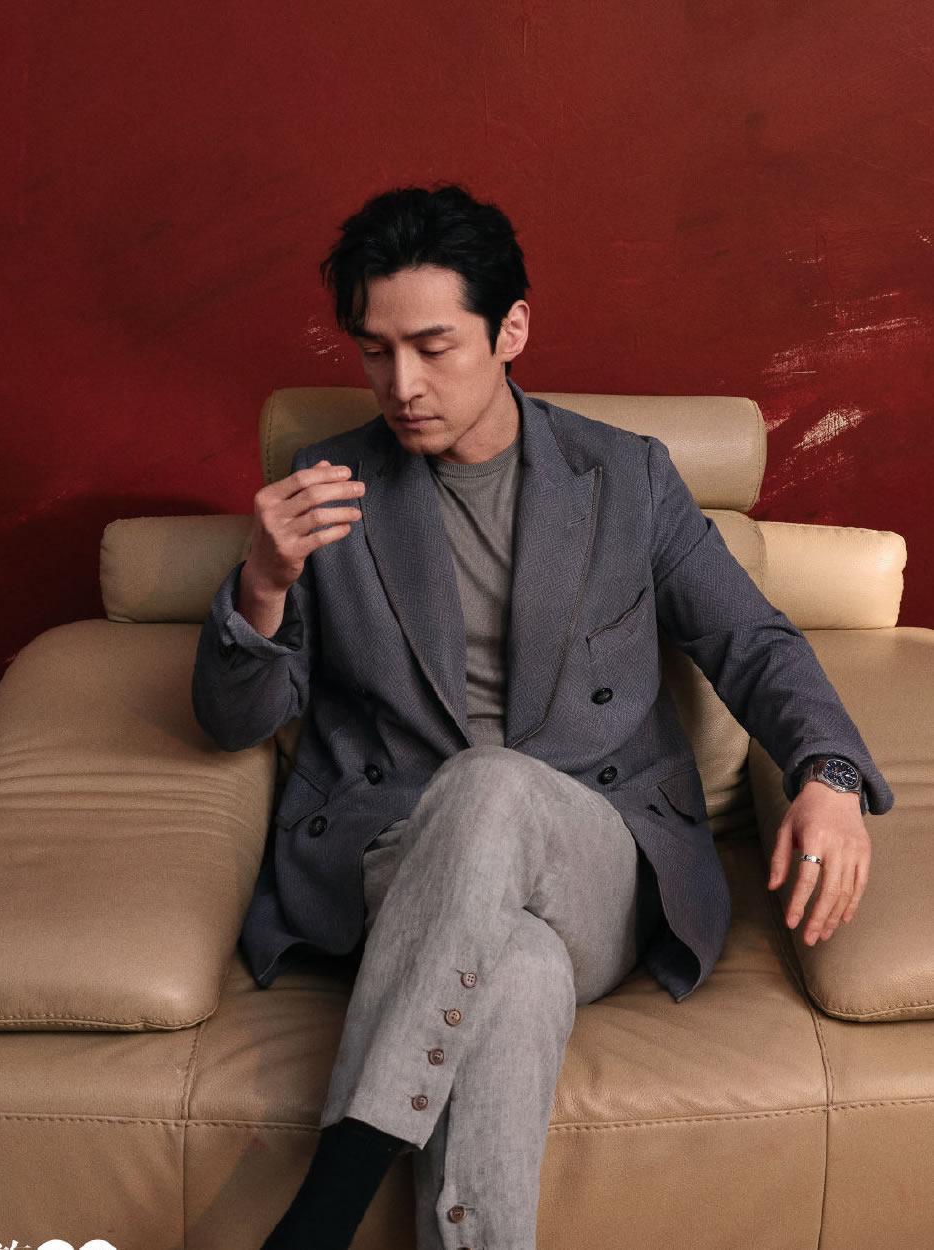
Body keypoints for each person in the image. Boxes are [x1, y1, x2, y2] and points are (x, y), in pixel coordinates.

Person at [191, 183, 894, 1250]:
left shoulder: (628, 479)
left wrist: (829, 775)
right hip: (400, 867)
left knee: (494, 783)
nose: (402, 385)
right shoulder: (325, 489)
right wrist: (263, 585)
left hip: (593, 862)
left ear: (511, 328)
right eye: (375, 351)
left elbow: (752, 641)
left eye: (434, 346)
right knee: (515, 970)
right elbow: (235, 723)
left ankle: (321, 1213)